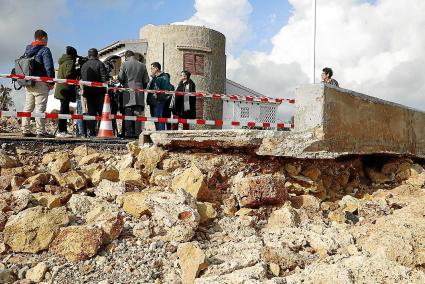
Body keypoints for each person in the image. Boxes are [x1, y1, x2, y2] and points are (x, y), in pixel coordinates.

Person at [21, 29, 55, 138]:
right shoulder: (44, 50)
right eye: (47, 39)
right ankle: (40, 131)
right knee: (40, 107)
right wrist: (50, 81)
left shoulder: (28, 50)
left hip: (28, 82)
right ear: (44, 38)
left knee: (28, 107)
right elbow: (48, 66)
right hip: (40, 82)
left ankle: (25, 129)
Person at [118, 50, 149, 138]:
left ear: (126, 56)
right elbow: (146, 80)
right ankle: (138, 133)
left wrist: (122, 81)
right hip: (139, 90)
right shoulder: (142, 65)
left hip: (128, 90)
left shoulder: (124, 64)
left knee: (128, 112)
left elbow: (121, 77)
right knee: (137, 113)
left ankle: (128, 133)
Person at [80, 48, 108, 137]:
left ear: (88, 55)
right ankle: (101, 131)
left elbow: (83, 79)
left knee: (91, 113)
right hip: (99, 93)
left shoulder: (84, 65)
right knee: (101, 113)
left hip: (88, 93)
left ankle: (91, 132)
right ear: (97, 55)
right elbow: (104, 79)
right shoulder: (100, 64)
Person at [54, 46, 78, 137]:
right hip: (66, 89)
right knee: (64, 110)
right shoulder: (70, 62)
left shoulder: (63, 61)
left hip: (61, 89)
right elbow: (69, 74)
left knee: (63, 109)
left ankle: (62, 130)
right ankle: (62, 131)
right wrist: (76, 71)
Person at [146, 62, 171, 131]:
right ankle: (157, 133)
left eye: (152, 68)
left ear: (156, 68)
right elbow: (149, 88)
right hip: (152, 101)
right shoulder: (155, 78)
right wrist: (153, 78)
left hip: (158, 101)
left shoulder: (164, 77)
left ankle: (161, 134)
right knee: (155, 119)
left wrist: (158, 96)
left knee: (159, 118)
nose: (151, 70)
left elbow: (166, 90)